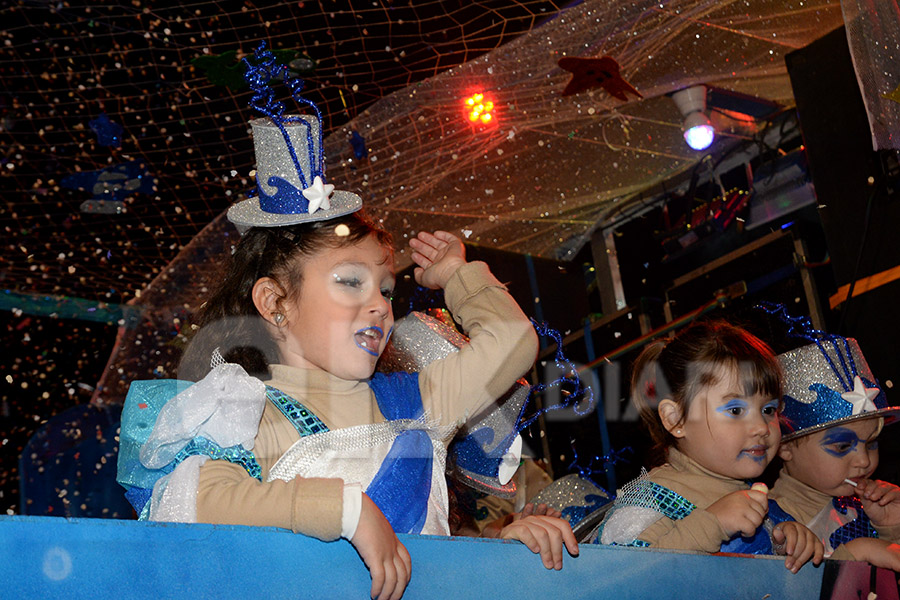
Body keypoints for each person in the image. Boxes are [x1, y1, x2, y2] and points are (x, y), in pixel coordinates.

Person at [116, 45, 576, 600]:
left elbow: (513, 342)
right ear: (274, 302)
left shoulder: (423, 401)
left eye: (385, 288)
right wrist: (344, 508)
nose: (381, 304)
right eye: (349, 282)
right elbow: (194, 503)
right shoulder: (244, 408)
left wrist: (458, 276)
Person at [593, 319, 823, 573]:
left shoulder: (769, 505)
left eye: (769, 409)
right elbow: (616, 578)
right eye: (735, 410)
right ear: (676, 419)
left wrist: (786, 546)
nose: (760, 426)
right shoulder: (651, 500)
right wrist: (710, 524)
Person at [770, 334, 900, 571]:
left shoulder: (865, 508)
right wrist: (857, 553)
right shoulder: (765, 524)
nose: (863, 460)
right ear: (784, 446)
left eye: (871, 443)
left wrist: (891, 529)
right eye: (842, 446)